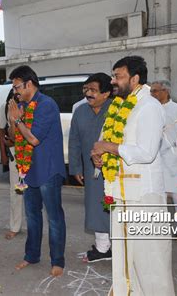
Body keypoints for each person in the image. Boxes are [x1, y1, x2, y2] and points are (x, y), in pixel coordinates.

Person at [91, 56, 174, 295]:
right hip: (121, 195)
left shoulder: (149, 106)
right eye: (113, 76)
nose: (113, 81)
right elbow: (112, 143)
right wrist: (101, 156)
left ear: (135, 79)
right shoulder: (118, 105)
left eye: (118, 76)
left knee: (150, 260)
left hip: (143, 197)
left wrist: (108, 147)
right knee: (126, 256)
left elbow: (146, 153)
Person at [7, 65, 67, 277]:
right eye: (14, 87)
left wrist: (18, 119)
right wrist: (12, 119)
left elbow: (33, 139)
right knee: (32, 216)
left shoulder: (46, 105)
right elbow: (15, 137)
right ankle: (31, 255)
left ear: (29, 84)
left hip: (48, 169)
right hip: (28, 169)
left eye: (17, 87)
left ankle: (58, 260)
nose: (15, 91)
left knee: (53, 217)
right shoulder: (21, 105)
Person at [69, 73, 113, 262]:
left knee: (117, 208)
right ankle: (103, 248)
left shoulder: (118, 109)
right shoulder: (80, 111)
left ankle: (120, 247)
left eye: (93, 90)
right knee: (95, 207)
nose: (88, 93)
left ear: (106, 93)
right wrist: (76, 167)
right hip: (91, 169)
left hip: (117, 169)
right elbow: (74, 141)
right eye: (86, 89)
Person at [150, 80, 177, 206]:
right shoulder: (150, 109)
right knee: (158, 201)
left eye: (155, 91)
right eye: (151, 91)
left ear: (166, 91)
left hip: (175, 160)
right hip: (155, 160)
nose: (152, 94)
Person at [0, 89, 23, 239]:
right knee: (16, 191)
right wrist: (3, 154)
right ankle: (15, 226)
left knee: (34, 192)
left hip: (31, 153)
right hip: (14, 154)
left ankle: (35, 226)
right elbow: (1, 132)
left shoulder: (32, 105)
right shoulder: (5, 107)